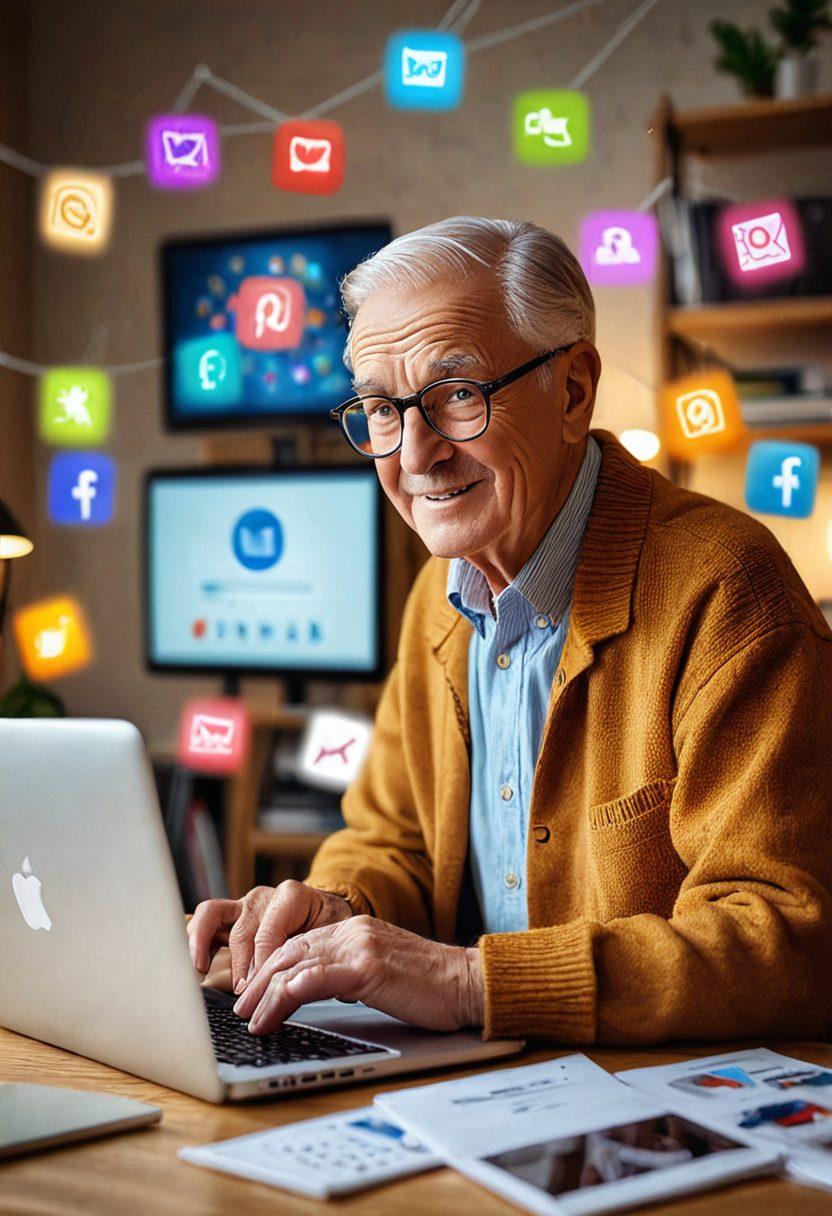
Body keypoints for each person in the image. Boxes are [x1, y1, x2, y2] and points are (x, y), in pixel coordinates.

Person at [188, 217, 832, 1044]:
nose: (414, 455)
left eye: (458, 395)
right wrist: (334, 912)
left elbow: (786, 941)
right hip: (484, 1084)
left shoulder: (727, 588)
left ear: (573, 391)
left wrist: (467, 981)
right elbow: (391, 840)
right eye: (382, 410)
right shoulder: (438, 596)